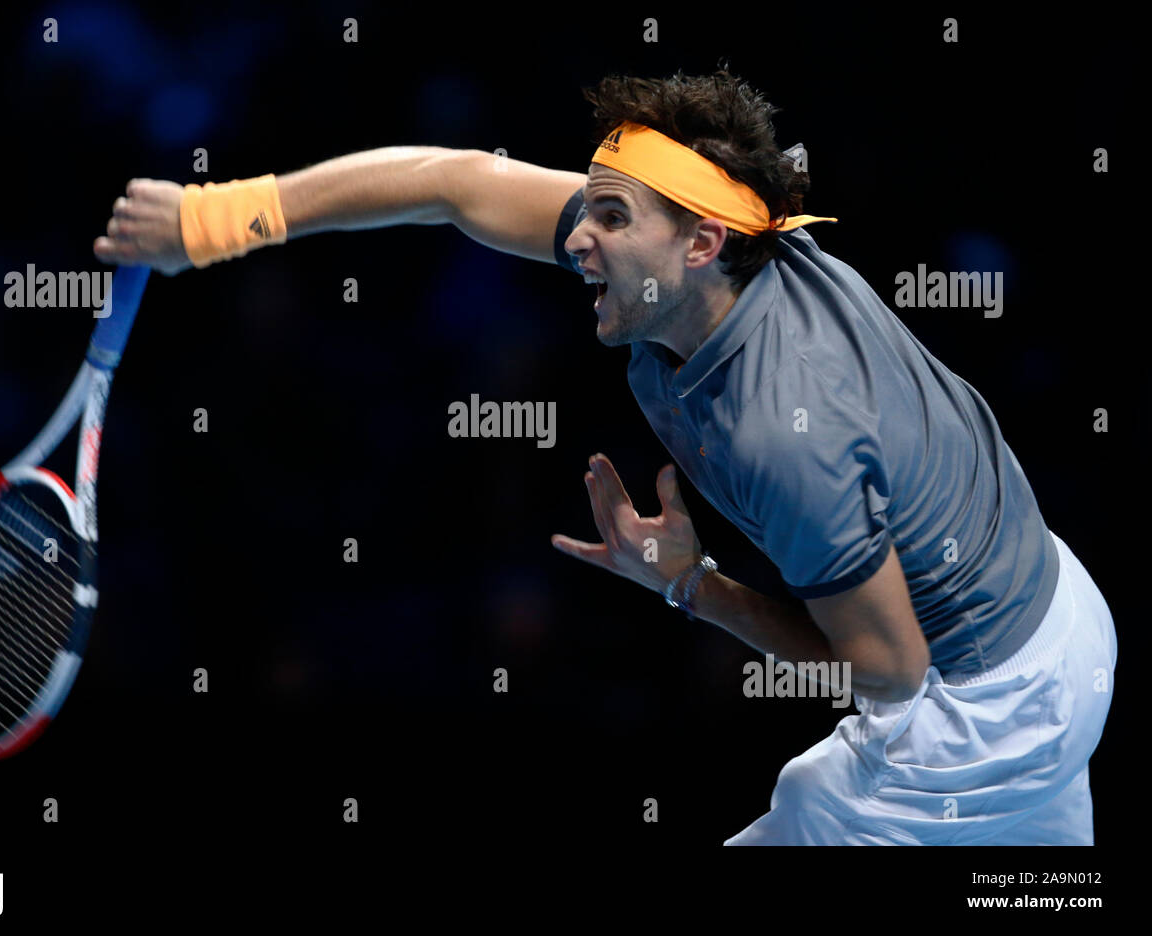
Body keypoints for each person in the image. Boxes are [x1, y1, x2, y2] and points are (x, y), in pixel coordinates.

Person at [93, 65, 1117, 845]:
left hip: (985, 716)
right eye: (588, 205)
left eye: (610, 218)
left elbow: (888, 677)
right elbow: (453, 184)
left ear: (700, 244)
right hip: (1060, 610)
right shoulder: (719, 248)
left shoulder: (781, 430)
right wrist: (214, 217)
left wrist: (691, 590)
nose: (578, 237)